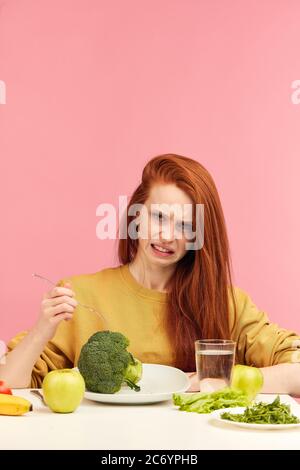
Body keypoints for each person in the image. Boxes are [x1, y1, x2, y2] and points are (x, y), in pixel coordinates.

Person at [1, 154, 300, 393]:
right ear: (135, 215)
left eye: (184, 225)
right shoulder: (80, 296)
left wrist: (220, 381)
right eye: (158, 216)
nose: (167, 235)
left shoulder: (225, 302)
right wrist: (41, 331)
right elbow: (9, 384)